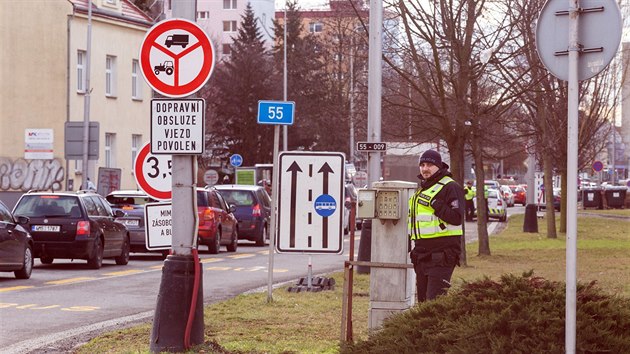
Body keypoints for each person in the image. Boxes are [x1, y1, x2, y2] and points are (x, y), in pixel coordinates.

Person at [408, 150, 465, 302]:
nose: (425, 169)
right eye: (422, 165)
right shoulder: (423, 190)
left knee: (434, 304)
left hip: (442, 256)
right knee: (422, 304)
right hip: (421, 255)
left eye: (430, 165)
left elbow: (457, 217)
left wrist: (434, 204)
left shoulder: (450, 187)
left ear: (439, 166)